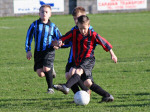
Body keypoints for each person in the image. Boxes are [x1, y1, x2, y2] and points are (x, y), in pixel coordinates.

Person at [54, 15, 117, 102]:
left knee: (77, 72)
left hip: (88, 60)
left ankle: (66, 87)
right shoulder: (74, 32)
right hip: (78, 60)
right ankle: (107, 96)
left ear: (88, 25)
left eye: (84, 28)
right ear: (77, 26)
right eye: (80, 28)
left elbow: (104, 43)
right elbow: (64, 37)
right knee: (86, 82)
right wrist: (60, 41)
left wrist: (112, 54)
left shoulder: (93, 35)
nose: (82, 31)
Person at [25, 5, 62, 94]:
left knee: (46, 68)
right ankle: (51, 69)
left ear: (50, 14)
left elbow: (60, 38)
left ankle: (50, 88)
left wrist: (58, 45)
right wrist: (28, 50)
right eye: (42, 12)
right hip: (38, 51)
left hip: (49, 50)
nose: (44, 13)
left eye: (46, 12)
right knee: (40, 74)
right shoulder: (34, 25)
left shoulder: (53, 26)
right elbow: (28, 37)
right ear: (39, 13)